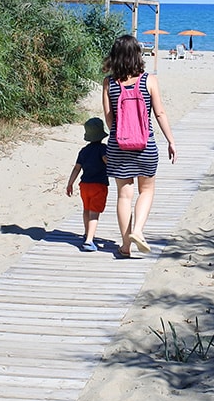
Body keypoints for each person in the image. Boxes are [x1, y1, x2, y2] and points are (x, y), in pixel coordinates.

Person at [102, 34, 177, 258]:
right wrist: (171, 140)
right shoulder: (149, 80)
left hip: (118, 145)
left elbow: (108, 118)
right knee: (147, 190)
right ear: (138, 55)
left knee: (124, 196)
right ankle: (138, 230)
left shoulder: (109, 82)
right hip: (145, 145)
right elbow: (160, 112)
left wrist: (120, 133)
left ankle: (125, 246)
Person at [64, 117, 108, 251]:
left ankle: (86, 233)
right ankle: (89, 241)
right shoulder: (103, 149)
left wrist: (70, 183)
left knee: (86, 210)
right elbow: (107, 161)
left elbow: (77, 168)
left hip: (84, 185)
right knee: (94, 213)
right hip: (98, 185)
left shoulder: (83, 151)